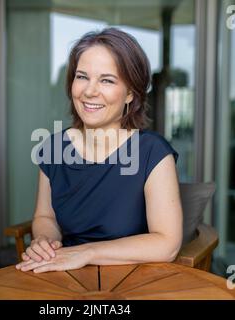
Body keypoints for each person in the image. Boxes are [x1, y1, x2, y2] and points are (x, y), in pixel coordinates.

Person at [16, 28, 183, 274]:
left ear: (130, 94)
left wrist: (87, 253)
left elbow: (167, 244)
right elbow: (45, 218)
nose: (89, 91)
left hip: (134, 279)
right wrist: (44, 242)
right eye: (82, 77)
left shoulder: (152, 152)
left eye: (107, 80)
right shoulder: (52, 148)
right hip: (62, 273)